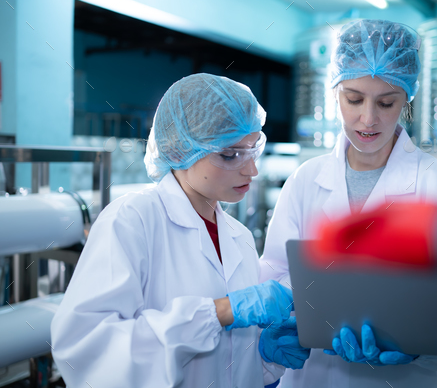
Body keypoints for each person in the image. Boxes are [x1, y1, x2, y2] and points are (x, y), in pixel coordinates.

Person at [51, 73, 309, 388]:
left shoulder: (238, 237)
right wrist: (220, 312)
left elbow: (228, 365)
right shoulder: (132, 220)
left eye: (253, 149)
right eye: (230, 154)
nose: (251, 169)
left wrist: (266, 358)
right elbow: (86, 351)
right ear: (180, 150)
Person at [259, 20, 437, 387]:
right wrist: (286, 321)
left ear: (408, 97)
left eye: (386, 102)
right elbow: (278, 274)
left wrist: (420, 345)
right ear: (335, 91)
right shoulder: (305, 182)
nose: (368, 118)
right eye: (354, 99)